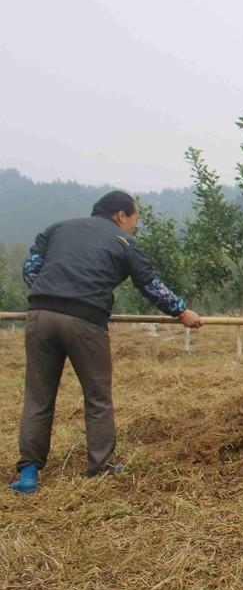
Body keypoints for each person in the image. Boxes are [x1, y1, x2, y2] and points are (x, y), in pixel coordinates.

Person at [10, 191, 203, 494]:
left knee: (38, 397)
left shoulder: (57, 229)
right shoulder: (122, 242)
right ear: (121, 215)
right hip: (85, 320)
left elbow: (31, 268)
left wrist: (52, 298)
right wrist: (181, 311)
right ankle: (100, 466)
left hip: (40, 315)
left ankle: (28, 474)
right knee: (97, 397)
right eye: (134, 220)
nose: (133, 227)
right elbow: (150, 284)